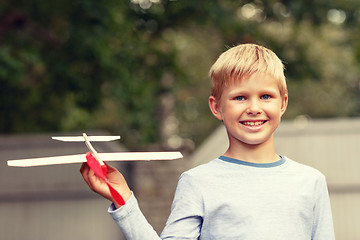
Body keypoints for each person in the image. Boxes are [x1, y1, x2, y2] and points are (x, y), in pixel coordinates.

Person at [80, 43, 335, 239]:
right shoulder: (198, 183)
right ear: (216, 107)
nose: (254, 107)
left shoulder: (310, 182)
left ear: (283, 103)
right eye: (240, 98)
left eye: (266, 96)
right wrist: (124, 200)